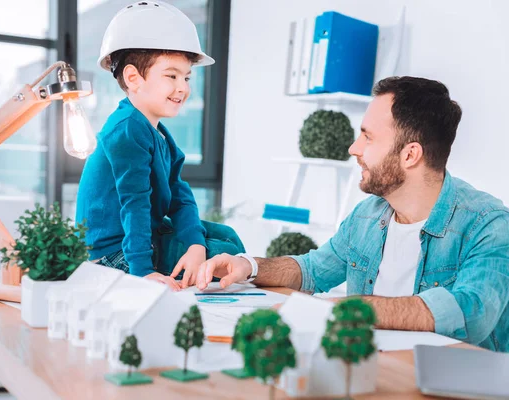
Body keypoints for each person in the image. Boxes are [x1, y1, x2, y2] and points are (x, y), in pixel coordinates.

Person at [196, 76, 509, 352]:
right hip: (374, 373)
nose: (353, 148)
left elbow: (473, 313)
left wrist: (350, 310)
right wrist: (248, 266)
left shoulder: (489, 224)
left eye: (368, 137)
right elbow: (313, 269)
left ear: (410, 154)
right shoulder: (368, 216)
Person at [76, 1, 245, 291]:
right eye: (172, 75)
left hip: (141, 236)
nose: (184, 87)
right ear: (134, 78)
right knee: (219, 255)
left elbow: (180, 195)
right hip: (112, 253)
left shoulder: (159, 133)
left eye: (187, 77)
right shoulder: (127, 129)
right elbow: (135, 204)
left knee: (224, 239)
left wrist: (194, 244)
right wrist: (143, 272)